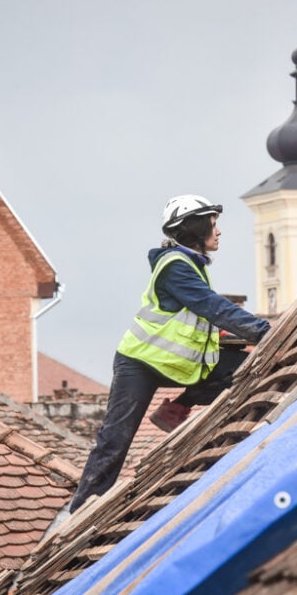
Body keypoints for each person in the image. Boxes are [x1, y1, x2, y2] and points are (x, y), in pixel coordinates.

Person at [68, 194, 271, 513]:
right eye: (213, 225)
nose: (219, 232)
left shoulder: (190, 264)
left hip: (174, 362)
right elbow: (211, 306)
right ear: (195, 228)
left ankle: (177, 408)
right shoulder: (176, 267)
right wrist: (265, 332)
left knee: (242, 368)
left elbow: (197, 316)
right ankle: (82, 509)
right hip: (139, 363)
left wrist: (236, 337)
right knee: (115, 440)